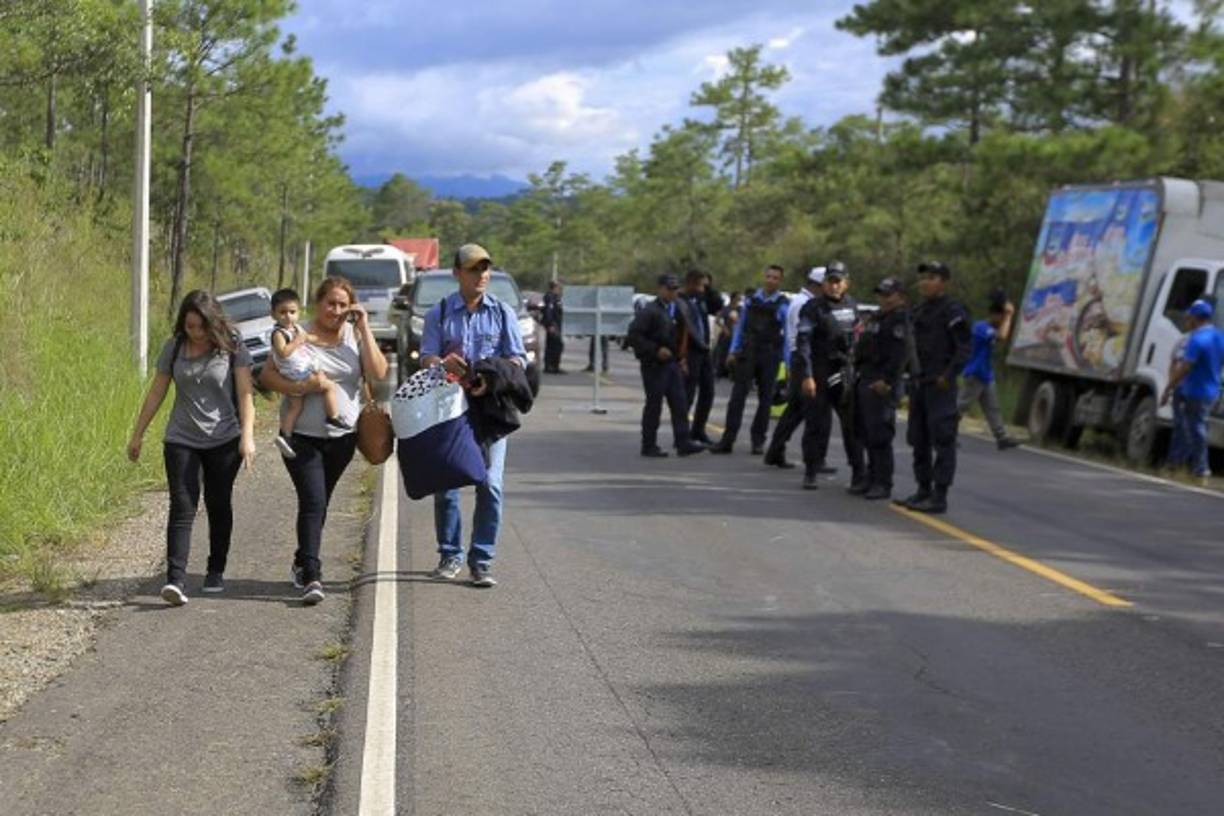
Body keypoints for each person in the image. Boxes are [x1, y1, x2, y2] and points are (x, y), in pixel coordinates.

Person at [260, 276, 388, 604]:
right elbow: (267, 376)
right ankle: (312, 575)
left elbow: (379, 373)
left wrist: (364, 328)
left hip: (342, 437)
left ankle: (302, 559)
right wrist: (302, 387)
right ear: (318, 303)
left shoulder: (353, 335)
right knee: (313, 500)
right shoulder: (296, 331)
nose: (336, 310)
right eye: (330, 303)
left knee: (320, 502)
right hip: (301, 437)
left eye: (343, 304)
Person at [127, 290, 256, 606]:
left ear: (213, 323)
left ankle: (215, 569)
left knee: (218, 503)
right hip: (181, 439)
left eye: (201, 326)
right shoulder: (174, 347)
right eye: (189, 326)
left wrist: (247, 437)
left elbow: (245, 394)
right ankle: (175, 579)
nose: (195, 333)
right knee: (182, 506)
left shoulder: (232, 346)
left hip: (224, 440)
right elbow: (157, 392)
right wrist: (138, 434)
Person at [420, 244, 526, 588]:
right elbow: (426, 356)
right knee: (447, 488)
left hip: (492, 411)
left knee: (490, 485)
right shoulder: (439, 313)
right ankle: (450, 554)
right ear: (457, 273)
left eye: (485, 268)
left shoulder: (503, 313)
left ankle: (481, 561)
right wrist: (442, 364)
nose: (481, 275)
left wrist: (491, 377)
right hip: (450, 411)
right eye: (473, 269)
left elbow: (518, 359)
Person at [899, 261, 972, 514]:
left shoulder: (953, 311)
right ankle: (923, 489)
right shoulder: (919, 310)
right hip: (919, 383)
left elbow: (964, 348)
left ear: (944, 282)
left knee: (943, 439)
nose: (925, 283)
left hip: (940, 385)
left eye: (931, 278)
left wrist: (948, 375)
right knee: (918, 438)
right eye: (922, 278)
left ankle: (939, 496)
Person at [789, 263, 864, 489]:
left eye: (838, 281)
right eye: (830, 281)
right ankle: (811, 472)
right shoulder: (813, 307)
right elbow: (803, 342)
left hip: (844, 372)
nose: (834, 286)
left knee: (852, 426)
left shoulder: (852, 305)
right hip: (820, 371)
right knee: (816, 424)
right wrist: (807, 376)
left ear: (846, 283)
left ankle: (858, 473)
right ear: (823, 284)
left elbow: (859, 336)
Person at [711, 266, 789, 455]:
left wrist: (788, 363)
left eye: (775, 278)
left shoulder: (783, 305)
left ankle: (758, 440)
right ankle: (727, 440)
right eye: (768, 276)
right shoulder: (751, 301)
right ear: (764, 277)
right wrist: (733, 350)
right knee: (737, 397)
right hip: (748, 352)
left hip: (770, 354)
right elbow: (740, 327)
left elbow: (787, 335)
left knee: (766, 399)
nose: (771, 280)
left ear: (780, 281)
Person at [627, 274, 708, 458]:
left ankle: (683, 441)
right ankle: (649, 444)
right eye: (669, 289)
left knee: (680, 403)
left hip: (671, 364)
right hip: (654, 365)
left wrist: (681, 358)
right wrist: (655, 350)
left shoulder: (674, 308)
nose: (673, 292)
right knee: (654, 405)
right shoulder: (650, 311)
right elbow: (633, 335)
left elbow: (680, 336)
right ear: (661, 289)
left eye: (675, 289)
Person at [269, 287, 350, 459]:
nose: (288, 316)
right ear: (273, 314)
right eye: (282, 312)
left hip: (299, 370)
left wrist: (324, 342)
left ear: (299, 312)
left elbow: (310, 339)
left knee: (295, 407)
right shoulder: (279, 333)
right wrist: (298, 341)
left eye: (292, 312)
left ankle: (285, 436)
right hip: (296, 372)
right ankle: (333, 417)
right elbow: (283, 352)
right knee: (328, 385)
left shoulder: (296, 329)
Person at [851, 277, 910, 500]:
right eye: (881, 294)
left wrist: (887, 381)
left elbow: (900, 355)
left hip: (883, 382)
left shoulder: (900, 320)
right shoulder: (877, 317)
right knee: (865, 432)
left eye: (888, 295)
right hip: (866, 377)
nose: (883, 299)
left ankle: (882, 482)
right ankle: (871, 476)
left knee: (880, 434)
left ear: (900, 297)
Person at [763, 266, 825, 470]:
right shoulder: (804, 304)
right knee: (809, 413)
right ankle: (813, 459)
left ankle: (775, 450)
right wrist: (797, 368)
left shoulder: (801, 301)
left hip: (800, 362)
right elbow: (799, 338)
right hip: (801, 362)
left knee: (794, 412)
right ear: (817, 285)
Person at [1162, 299, 1223, 484]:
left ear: (1196, 318)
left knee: (1194, 429)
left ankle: (1201, 469)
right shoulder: (1219, 337)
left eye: (1189, 317)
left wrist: (1169, 387)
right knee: (1193, 428)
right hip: (1212, 390)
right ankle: (1183, 466)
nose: (1187, 320)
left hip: (1195, 390)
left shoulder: (1196, 340)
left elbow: (1185, 367)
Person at [958, 294, 1021, 451]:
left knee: (992, 407)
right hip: (975, 373)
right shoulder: (981, 327)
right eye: (1001, 316)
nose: (1002, 321)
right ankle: (945, 433)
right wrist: (1009, 316)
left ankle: (1001, 437)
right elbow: (1002, 336)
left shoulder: (990, 328)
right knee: (961, 406)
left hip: (986, 375)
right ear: (993, 314)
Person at [679, 268, 716, 445]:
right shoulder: (680, 301)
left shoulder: (701, 300)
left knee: (708, 391)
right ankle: (682, 434)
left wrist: (709, 288)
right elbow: (687, 328)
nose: (703, 289)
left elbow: (717, 305)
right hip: (691, 352)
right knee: (688, 394)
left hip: (704, 351)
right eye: (701, 285)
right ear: (691, 284)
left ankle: (698, 430)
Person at [713, 290, 744, 378]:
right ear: (732, 298)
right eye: (737, 298)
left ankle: (733, 372)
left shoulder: (741, 309)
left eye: (739, 299)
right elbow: (717, 320)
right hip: (727, 333)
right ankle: (720, 371)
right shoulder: (726, 308)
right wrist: (724, 328)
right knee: (723, 352)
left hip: (736, 334)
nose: (738, 300)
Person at [541, 280, 565, 373]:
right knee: (555, 345)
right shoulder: (550, 297)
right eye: (558, 287)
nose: (559, 290)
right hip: (553, 324)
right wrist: (550, 324)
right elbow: (549, 311)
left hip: (556, 324)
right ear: (554, 287)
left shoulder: (555, 297)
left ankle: (553, 366)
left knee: (554, 345)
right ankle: (551, 366)